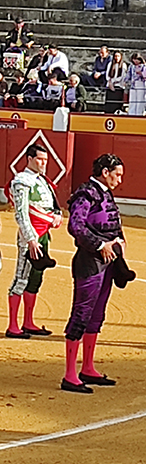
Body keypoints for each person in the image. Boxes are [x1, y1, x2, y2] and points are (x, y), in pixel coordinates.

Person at [62, 153, 126, 393]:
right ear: (105, 172)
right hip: (89, 262)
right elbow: (75, 226)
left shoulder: (106, 194)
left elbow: (114, 224)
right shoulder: (86, 193)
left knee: (97, 315)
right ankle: (70, 375)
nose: (119, 179)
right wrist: (101, 245)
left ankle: (87, 367)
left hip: (107, 263)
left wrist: (120, 241)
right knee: (81, 313)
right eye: (117, 174)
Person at [5, 144, 62, 340]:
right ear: (29, 158)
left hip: (44, 234)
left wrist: (56, 216)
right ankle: (12, 326)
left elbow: (53, 205)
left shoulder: (43, 181)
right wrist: (30, 238)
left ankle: (28, 322)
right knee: (21, 277)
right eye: (39, 159)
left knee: (36, 277)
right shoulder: (21, 180)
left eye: (45, 160)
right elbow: (21, 212)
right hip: (30, 236)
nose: (43, 163)